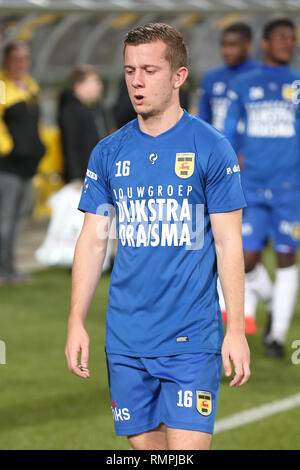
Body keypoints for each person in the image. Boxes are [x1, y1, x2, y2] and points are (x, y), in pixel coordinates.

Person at [65, 23, 250, 451]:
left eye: (149, 70)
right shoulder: (109, 152)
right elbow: (93, 240)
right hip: (126, 340)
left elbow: (228, 243)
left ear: (179, 76)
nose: (136, 81)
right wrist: (76, 321)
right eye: (130, 70)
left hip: (191, 339)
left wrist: (235, 328)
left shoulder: (211, 147)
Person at [224, 18, 300, 358]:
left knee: (287, 256)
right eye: (281, 37)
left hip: (290, 187)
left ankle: (277, 336)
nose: (289, 43)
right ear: (265, 44)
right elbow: (229, 134)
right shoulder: (244, 84)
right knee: (248, 258)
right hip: (251, 185)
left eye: (292, 38)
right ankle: (273, 304)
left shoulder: (298, 84)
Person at [0, 42, 45, 284]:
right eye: (16, 58)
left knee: (20, 216)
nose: (21, 63)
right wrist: (7, 147)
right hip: (8, 165)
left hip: (28, 166)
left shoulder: (30, 85)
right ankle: (4, 269)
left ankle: (10, 266)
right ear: (6, 61)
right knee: (4, 220)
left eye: (25, 58)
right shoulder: (1, 86)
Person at [198, 22, 258, 134]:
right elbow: (204, 119)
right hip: (218, 148)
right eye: (223, 45)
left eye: (232, 45)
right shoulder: (211, 77)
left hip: (249, 149)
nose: (226, 51)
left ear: (247, 45)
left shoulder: (259, 76)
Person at [58, 65, 113, 186]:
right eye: (95, 82)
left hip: (102, 174)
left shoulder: (98, 109)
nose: (100, 86)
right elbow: (70, 146)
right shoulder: (70, 111)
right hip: (83, 178)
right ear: (79, 86)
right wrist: (75, 177)